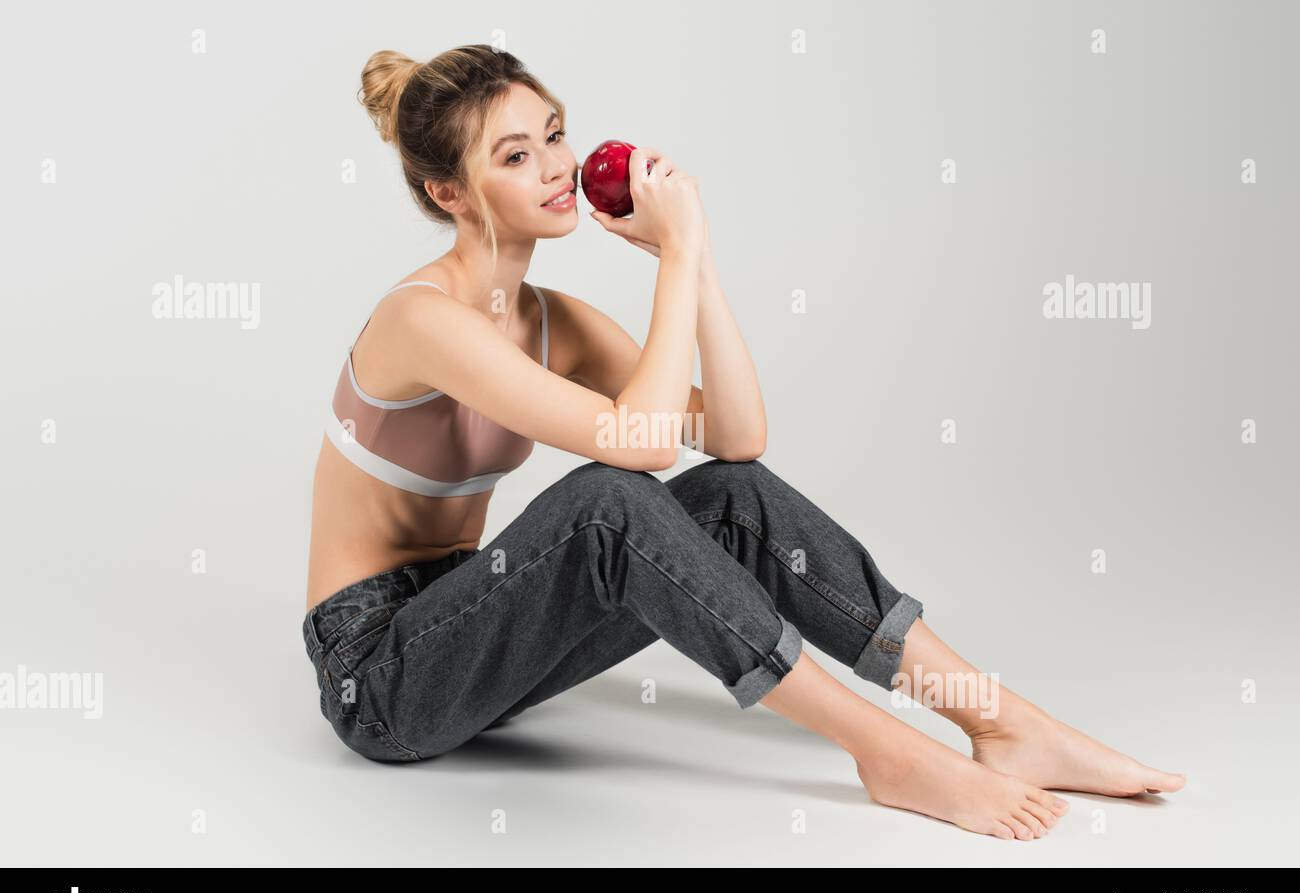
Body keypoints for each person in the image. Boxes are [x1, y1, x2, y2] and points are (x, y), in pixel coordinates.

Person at [302, 43, 1185, 841]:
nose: (558, 166)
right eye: (515, 155)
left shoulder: (550, 322)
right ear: (448, 193)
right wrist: (678, 259)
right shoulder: (421, 319)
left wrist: (692, 258)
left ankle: (1000, 720)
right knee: (607, 501)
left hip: (471, 628)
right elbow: (643, 447)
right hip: (379, 678)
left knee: (732, 496)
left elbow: (735, 436)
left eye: (555, 135)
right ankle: (885, 751)